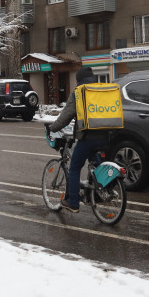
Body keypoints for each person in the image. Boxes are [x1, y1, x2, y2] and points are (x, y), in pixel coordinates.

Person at [46, 66, 109, 213]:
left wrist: (53, 128)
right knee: (95, 162)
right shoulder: (101, 90)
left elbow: (66, 116)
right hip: (105, 136)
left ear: (79, 80)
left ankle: (73, 202)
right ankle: (100, 190)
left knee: (74, 167)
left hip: (88, 137)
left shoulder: (79, 93)